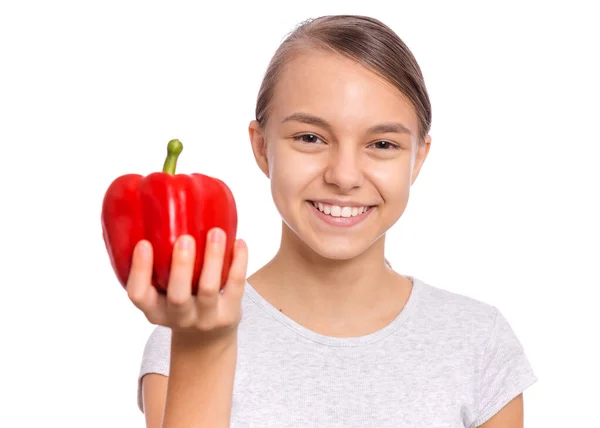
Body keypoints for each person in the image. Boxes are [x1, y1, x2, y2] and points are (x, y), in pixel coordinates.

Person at [127, 15, 537, 428]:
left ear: (418, 159)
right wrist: (205, 346)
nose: (343, 176)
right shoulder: (186, 336)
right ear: (261, 147)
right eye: (310, 138)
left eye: (382, 144)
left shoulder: (478, 342)